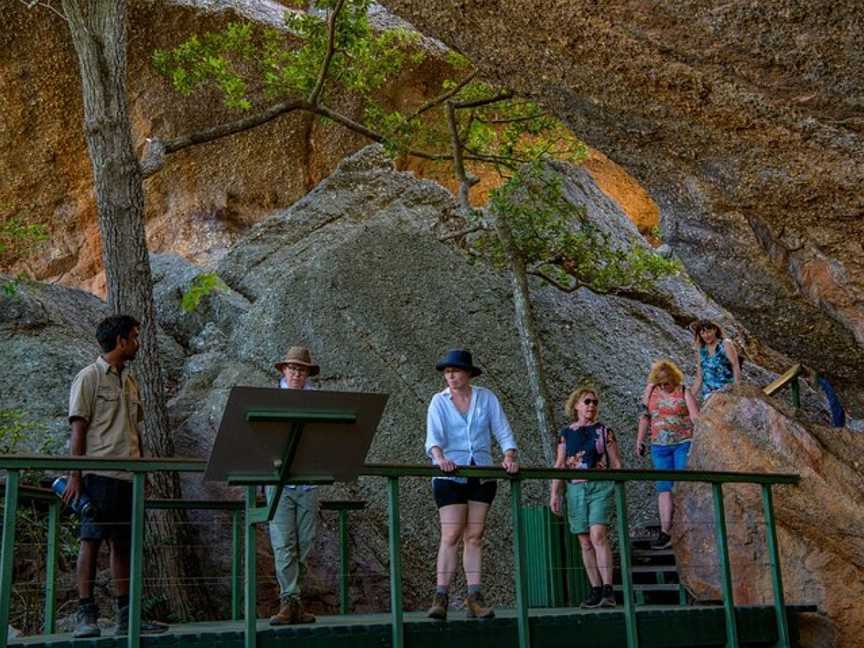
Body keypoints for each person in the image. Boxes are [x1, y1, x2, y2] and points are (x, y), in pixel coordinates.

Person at [66, 315, 168, 638]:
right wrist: (75, 476)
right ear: (121, 341)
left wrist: (144, 470)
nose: (138, 343)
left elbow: (136, 430)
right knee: (91, 540)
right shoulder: (90, 377)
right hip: (99, 473)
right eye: (134, 337)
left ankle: (127, 616)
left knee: (123, 545)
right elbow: (78, 429)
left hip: (129, 476)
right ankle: (86, 613)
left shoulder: (131, 381)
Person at [425, 349, 518, 621]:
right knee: (451, 535)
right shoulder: (438, 401)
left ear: (468, 374)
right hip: (450, 475)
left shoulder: (486, 397)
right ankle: (440, 596)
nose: (450, 376)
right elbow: (433, 438)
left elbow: (503, 431)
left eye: (455, 371)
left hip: (482, 472)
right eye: (447, 372)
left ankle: (474, 596)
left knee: (474, 537)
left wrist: (509, 456)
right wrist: (440, 457)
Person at [550, 386, 622, 609]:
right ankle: (595, 588)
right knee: (584, 540)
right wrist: (555, 492)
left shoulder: (604, 431)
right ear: (576, 405)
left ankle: (608, 589)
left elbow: (616, 462)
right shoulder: (566, 433)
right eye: (587, 401)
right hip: (575, 488)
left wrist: (618, 487)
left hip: (599, 485)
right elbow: (560, 463)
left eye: (595, 403)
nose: (591, 406)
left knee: (598, 534)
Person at [267, 346, 321, 625]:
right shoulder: (272, 399)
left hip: (309, 481)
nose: (297, 373)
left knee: (306, 542)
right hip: (279, 482)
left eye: (302, 369)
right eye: (293, 368)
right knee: (283, 543)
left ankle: (295, 600)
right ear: (283, 371)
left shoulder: (317, 402)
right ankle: (288, 600)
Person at [636, 360, 699, 550]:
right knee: (664, 487)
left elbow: (695, 416)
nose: (663, 386)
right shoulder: (651, 391)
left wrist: (703, 437)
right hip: (659, 445)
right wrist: (639, 440)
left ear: (673, 379)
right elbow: (644, 416)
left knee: (682, 484)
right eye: (660, 383)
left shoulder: (683, 390)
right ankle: (665, 531)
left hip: (683, 443)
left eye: (666, 383)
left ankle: (685, 527)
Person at [691, 319, 740, 401]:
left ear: (715, 330)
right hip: (708, 394)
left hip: (726, 390)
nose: (706, 335)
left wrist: (737, 388)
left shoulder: (725, 344)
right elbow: (699, 377)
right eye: (702, 333)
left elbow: (735, 366)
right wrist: (690, 397)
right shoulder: (700, 350)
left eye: (709, 332)